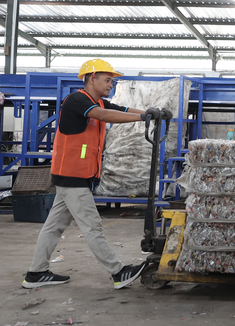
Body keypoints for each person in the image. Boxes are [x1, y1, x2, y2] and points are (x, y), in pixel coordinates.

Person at [22, 59, 163, 290]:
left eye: (112, 81)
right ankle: (118, 272)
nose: (111, 85)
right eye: (107, 80)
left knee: (53, 227)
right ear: (92, 78)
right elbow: (105, 116)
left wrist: (151, 113)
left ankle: (36, 273)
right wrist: (142, 118)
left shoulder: (96, 101)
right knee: (92, 226)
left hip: (75, 176)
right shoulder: (77, 100)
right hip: (73, 177)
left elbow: (122, 110)